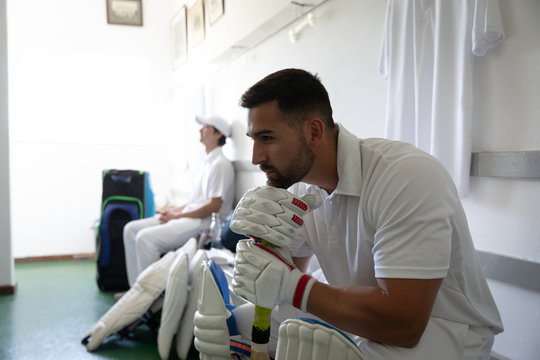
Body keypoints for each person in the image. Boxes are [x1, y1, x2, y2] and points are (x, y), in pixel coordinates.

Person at [195, 69, 503, 359]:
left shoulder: (405, 176)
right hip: (361, 318)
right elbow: (282, 279)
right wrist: (261, 247)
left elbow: (404, 323)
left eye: (267, 138)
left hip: (443, 332)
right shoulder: (303, 190)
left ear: (314, 131)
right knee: (232, 325)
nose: (256, 158)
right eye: (254, 140)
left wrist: (292, 285)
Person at [123, 115, 235, 287]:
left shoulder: (221, 164)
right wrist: (173, 212)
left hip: (203, 223)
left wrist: (176, 217)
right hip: (189, 217)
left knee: (145, 239)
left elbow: (213, 207)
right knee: (130, 229)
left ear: (218, 134)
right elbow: (194, 202)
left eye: (206, 127)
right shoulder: (206, 163)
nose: (200, 129)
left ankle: (151, 298)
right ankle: (135, 292)